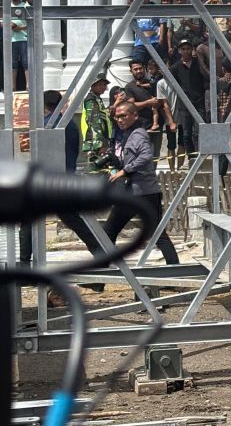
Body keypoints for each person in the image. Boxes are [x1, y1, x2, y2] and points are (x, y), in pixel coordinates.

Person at [19, 91, 104, 287]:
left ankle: (24, 267)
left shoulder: (51, 124)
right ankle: (101, 260)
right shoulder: (66, 125)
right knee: (75, 222)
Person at [105, 101, 180, 265]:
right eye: (117, 116)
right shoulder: (127, 135)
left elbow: (146, 156)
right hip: (133, 192)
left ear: (135, 115)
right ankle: (100, 275)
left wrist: (125, 171)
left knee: (156, 233)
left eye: (123, 115)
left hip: (143, 192)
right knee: (110, 231)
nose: (120, 120)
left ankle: (175, 271)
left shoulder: (138, 134)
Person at [170, 38, 208, 164]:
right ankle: (192, 158)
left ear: (192, 50)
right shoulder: (175, 67)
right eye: (183, 49)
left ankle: (200, 156)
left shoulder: (198, 63)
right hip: (184, 104)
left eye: (188, 48)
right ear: (179, 51)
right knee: (186, 133)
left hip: (199, 101)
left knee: (199, 130)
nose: (186, 51)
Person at [81, 75, 114, 173]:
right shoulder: (91, 100)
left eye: (104, 85)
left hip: (98, 142)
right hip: (95, 143)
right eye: (100, 85)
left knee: (101, 170)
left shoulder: (97, 99)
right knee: (95, 170)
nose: (103, 87)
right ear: (92, 86)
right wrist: (101, 143)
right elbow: (94, 123)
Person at [8, 0, 30, 91]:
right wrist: (10, 24)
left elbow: (33, 22)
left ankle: (28, 86)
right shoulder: (7, 7)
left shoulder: (25, 6)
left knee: (26, 62)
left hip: (24, 39)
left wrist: (19, 28)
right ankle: (12, 88)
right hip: (11, 40)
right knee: (12, 64)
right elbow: (3, 21)